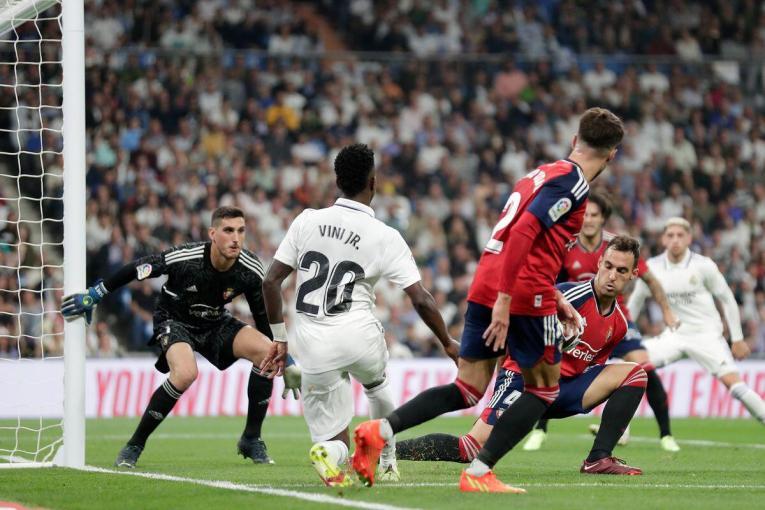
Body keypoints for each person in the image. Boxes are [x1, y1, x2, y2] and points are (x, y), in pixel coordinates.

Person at [350, 107, 625, 492]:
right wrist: (509, 299)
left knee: (468, 387)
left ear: (574, 140)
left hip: (487, 283)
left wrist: (548, 297)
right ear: (612, 155)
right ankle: (479, 473)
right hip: (520, 294)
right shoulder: (574, 183)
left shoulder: (538, 174)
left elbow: (526, 240)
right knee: (544, 389)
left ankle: (378, 430)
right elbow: (525, 232)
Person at [260, 143, 458, 487]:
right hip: (358, 335)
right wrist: (447, 343)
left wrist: (279, 338)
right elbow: (421, 299)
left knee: (334, 441)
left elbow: (271, 281)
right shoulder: (385, 236)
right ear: (373, 183)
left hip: (311, 344)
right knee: (376, 383)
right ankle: (388, 461)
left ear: (337, 181)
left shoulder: (307, 220)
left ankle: (329, 454)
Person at [62, 206, 298, 468]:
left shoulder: (250, 269)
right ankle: (134, 445)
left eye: (241, 231)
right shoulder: (186, 257)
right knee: (185, 373)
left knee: (267, 353)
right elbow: (138, 267)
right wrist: (96, 293)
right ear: (212, 233)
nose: (236, 238)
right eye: (228, 230)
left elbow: (262, 318)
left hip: (215, 322)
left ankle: (251, 439)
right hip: (174, 320)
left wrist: (282, 358)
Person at [398, 236, 646, 475]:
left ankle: (598, 459)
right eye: (609, 266)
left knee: (636, 373)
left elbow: (593, 369)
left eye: (622, 271)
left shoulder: (619, 325)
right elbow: (511, 331)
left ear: (633, 274)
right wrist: (503, 381)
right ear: (599, 262)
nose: (612, 276)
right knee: (471, 448)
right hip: (525, 381)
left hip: (564, 390)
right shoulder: (566, 299)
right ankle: (389, 449)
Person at [523, 191, 681, 452]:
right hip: (578, 316)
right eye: (584, 214)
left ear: (603, 218)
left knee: (644, 366)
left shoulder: (618, 248)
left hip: (616, 320)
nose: (588, 220)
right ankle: (540, 429)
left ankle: (666, 435)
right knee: (552, 364)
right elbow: (551, 280)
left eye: (594, 215)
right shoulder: (568, 245)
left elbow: (650, 279)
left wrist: (666, 311)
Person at [628, 217, 765, 427]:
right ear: (663, 239)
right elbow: (635, 302)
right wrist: (624, 335)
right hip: (674, 335)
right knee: (630, 365)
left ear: (689, 238)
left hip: (706, 335)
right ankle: (620, 430)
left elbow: (727, 299)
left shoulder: (703, 266)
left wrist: (737, 338)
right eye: (670, 235)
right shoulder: (653, 267)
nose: (675, 240)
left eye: (680, 235)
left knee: (734, 385)